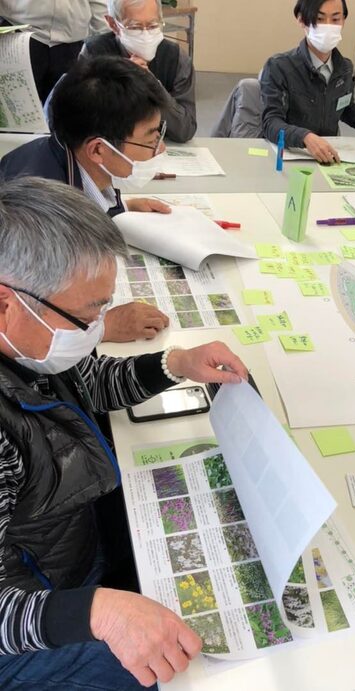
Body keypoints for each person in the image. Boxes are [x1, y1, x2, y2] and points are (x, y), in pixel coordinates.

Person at [0, 176, 249, 690]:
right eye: (90, 310)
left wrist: (176, 362)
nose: (99, 324)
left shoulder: (32, 341)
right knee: (173, 671)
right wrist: (97, 613)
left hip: (60, 549)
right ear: (7, 303)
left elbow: (86, 385)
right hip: (27, 615)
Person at [0, 56, 172, 344]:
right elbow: (19, 321)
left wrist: (122, 205)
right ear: (98, 150)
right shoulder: (41, 219)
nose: (160, 148)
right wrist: (102, 329)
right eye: (150, 139)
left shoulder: (66, 153)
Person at [260, 0, 355, 164]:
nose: (328, 26)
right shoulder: (279, 67)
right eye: (319, 19)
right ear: (301, 20)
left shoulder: (344, 67)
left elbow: (344, 107)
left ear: (343, 21)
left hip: (329, 156)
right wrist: (305, 137)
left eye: (335, 19)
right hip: (291, 155)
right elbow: (271, 122)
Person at [81, 0, 197, 143]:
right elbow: (78, 118)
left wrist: (153, 87)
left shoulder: (176, 58)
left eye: (153, 25)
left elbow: (186, 129)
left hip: (160, 148)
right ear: (113, 24)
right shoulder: (94, 53)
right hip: (108, 147)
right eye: (135, 27)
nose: (145, 34)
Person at [0, 1, 108, 102]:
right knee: (15, 105)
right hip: (19, 31)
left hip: (72, 42)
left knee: (68, 107)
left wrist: (106, 34)